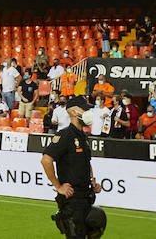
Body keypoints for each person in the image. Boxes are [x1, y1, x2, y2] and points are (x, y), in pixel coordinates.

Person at [41, 98, 106, 238]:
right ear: (75, 112)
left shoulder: (83, 136)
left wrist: (92, 181)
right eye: (85, 109)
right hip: (72, 199)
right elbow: (46, 160)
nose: (89, 113)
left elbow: (86, 162)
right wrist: (58, 186)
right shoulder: (65, 135)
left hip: (86, 197)